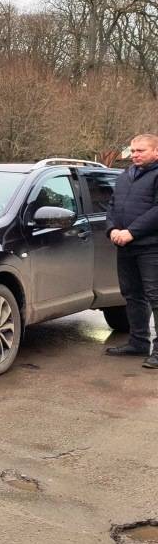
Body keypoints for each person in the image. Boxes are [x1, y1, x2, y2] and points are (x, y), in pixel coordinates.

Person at [104, 133, 158, 370]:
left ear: (156, 152)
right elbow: (113, 205)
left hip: (151, 248)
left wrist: (132, 232)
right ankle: (138, 343)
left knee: (155, 298)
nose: (134, 155)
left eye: (141, 151)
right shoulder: (125, 176)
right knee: (132, 294)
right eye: (132, 151)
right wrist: (112, 229)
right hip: (125, 247)